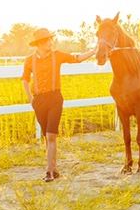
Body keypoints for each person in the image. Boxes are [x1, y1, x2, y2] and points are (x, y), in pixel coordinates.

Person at [21, 28, 97, 182]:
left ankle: (49, 171)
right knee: (46, 136)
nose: (50, 42)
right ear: (39, 44)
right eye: (47, 40)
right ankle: (54, 169)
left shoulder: (58, 55)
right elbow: (24, 79)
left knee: (51, 135)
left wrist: (94, 51)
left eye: (50, 39)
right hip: (39, 100)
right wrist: (31, 99)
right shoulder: (30, 60)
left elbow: (76, 58)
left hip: (55, 98)